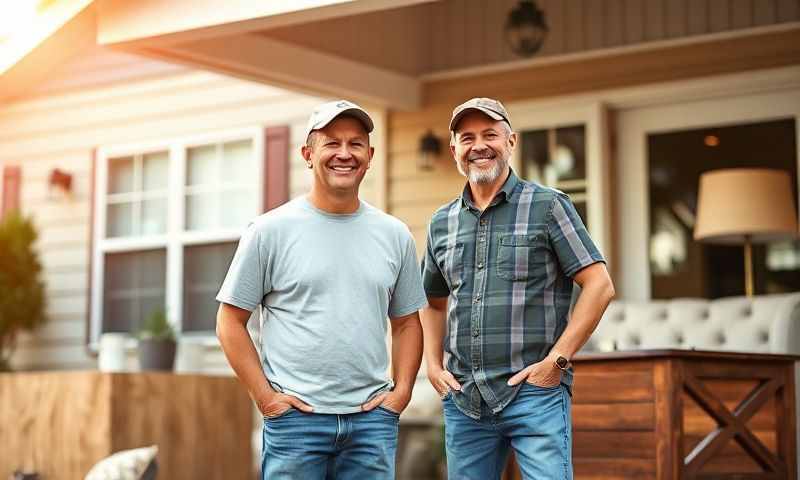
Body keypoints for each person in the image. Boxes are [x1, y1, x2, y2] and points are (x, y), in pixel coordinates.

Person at [216, 100, 426, 480]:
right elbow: (230, 321)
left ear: (370, 155)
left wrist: (401, 395)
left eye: (356, 144)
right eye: (332, 143)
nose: (344, 154)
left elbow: (408, 324)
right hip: (297, 423)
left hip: (370, 423)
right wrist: (266, 398)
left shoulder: (394, 235)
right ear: (308, 154)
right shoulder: (269, 231)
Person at [420, 97, 615, 480]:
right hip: (464, 399)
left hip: (534, 393)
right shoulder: (441, 222)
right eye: (467, 137)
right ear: (454, 149)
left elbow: (599, 285)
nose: (479, 146)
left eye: (490, 134)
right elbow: (432, 299)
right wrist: (432, 364)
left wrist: (557, 362)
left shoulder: (548, 206)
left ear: (511, 142)